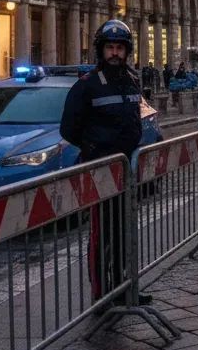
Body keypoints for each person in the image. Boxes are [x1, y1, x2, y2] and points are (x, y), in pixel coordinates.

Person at [60, 19, 146, 305]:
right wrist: (94, 149)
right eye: (110, 48)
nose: (115, 53)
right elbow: (68, 128)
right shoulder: (88, 86)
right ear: (101, 50)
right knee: (102, 234)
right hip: (101, 170)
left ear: (127, 51)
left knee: (123, 231)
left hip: (126, 169)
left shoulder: (132, 80)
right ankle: (101, 295)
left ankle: (123, 287)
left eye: (119, 48)